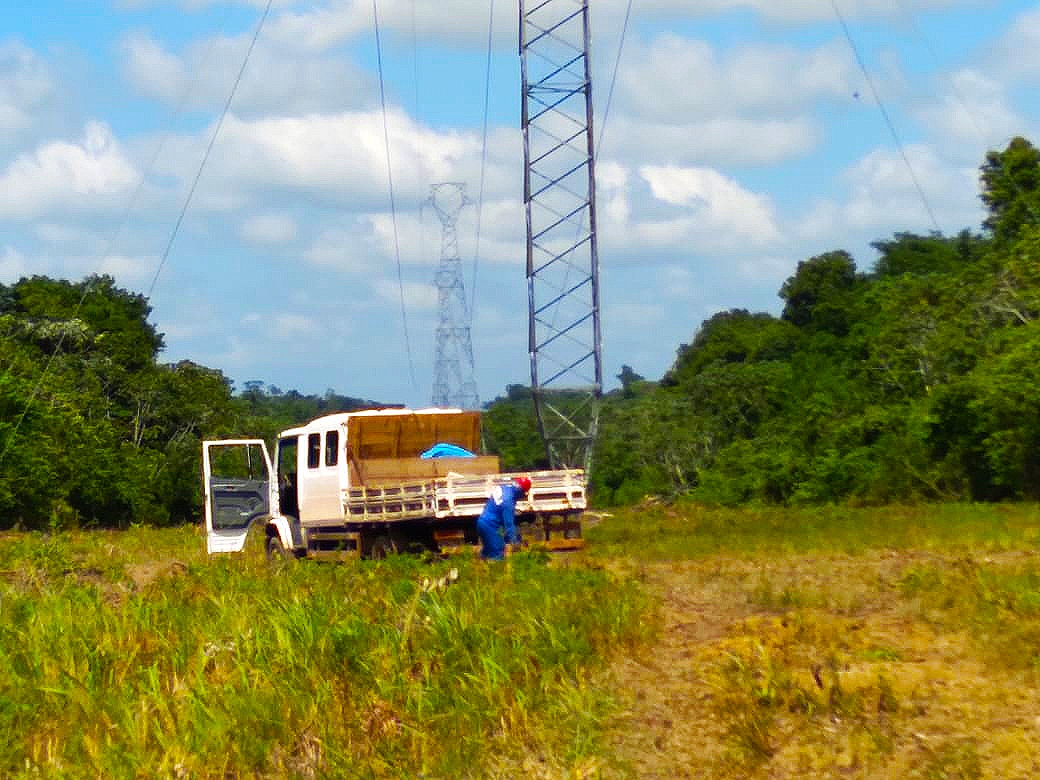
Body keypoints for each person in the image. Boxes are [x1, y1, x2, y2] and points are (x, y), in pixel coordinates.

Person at [477, 476, 531, 560]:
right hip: (491, 526)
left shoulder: (504, 488)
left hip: (483, 521)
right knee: (497, 554)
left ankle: (477, 570)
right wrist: (515, 543)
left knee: (487, 552)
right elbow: (509, 525)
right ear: (521, 491)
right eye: (524, 493)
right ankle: (496, 572)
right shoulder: (508, 502)